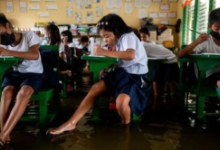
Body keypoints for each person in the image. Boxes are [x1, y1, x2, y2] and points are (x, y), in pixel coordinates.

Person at [47, 13, 151, 135]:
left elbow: (130, 55)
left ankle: (125, 127)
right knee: (95, 88)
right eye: (103, 37)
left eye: (107, 36)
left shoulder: (128, 36)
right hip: (123, 73)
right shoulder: (120, 39)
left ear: (116, 30)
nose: (105, 39)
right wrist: (110, 50)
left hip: (136, 77)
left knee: (121, 102)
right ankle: (71, 123)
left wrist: (104, 51)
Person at [0, 14, 43, 149]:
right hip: (14, 73)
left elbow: (35, 55)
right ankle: (6, 137)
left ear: (9, 26)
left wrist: (8, 52)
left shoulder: (28, 35)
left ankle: (1, 137)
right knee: (6, 93)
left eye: (0, 33)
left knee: (24, 92)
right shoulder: (3, 44)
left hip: (33, 74)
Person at [177, 7, 220, 88]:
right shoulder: (205, 41)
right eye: (217, 28)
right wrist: (196, 42)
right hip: (206, 76)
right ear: (209, 26)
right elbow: (180, 55)